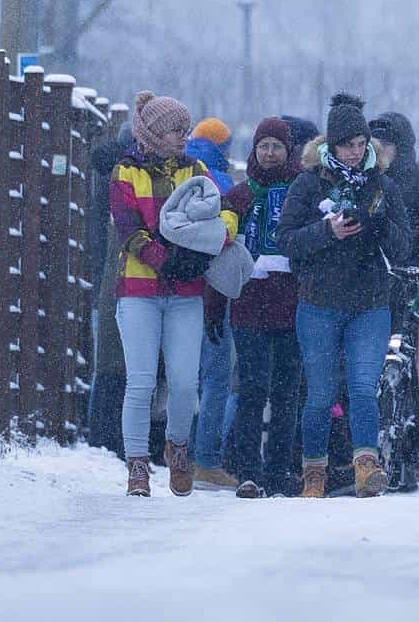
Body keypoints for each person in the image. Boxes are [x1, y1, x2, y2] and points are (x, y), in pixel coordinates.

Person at [277, 94, 411, 499]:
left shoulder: (383, 185)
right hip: (318, 303)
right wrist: (326, 232)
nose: (355, 153)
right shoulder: (307, 184)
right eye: (347, 145)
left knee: (361, 387)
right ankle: (313, 472)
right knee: (319, 393)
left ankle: (366, 466)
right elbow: (286, 240)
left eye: (360, 144)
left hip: (369, 303)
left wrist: (377, 224)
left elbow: (404, 245)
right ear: (330, 146)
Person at [110, 92, 237, 496]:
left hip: (186, 293)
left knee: (184, 382)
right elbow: (128, 229)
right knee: (142, 381)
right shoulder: (126, 172)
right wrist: (165, 259)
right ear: (152, 133)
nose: (183, 136)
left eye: (185, 129)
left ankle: (178, 446)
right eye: (174, 130)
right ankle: (136, 465)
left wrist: (221, 236)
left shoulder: (196, 170)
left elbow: (224, 207)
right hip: (139, 289)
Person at [219, 118, 303, 498]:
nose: (269, 154)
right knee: (252, 388)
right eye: (263, 146)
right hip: (248, 305)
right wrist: (213, 306)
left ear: (289, 151)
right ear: (254, 151)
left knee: (287, 391)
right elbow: (219, 256)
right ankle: (248, 471)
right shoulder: (238, 196)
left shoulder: (302, 192)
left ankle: (280, 470)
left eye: (277, 147)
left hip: (292, 306)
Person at [184, 115, 238, 489]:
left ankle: (174, 455)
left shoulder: (180, 171)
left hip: (175, 286)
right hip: (212, 289)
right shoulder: (221, 182)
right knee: (216, 377)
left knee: (182, 374)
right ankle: (205, 460)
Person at [87, 123, 133, 457]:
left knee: (107, 366)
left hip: (105, 278)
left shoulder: (107, 174)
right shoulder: (125, 178)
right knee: (120, 366)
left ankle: (101, 438)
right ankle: (111, 440)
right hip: (122, 279)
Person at [370, 111, 419, 284]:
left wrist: (401, 243)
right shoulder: (363, 180)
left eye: (385, 144)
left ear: (401, 147)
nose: (379, 150)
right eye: (374, 144)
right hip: (369, 278)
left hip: (410, 277)